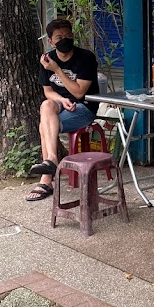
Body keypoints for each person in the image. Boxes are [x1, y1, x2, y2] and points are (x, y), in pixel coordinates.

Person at [26, 19, 99, 202]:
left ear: (73, 36)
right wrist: (63, 100)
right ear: (51, 41)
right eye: (59, 37)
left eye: (67, 36)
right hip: (62, 105)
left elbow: (79, 92)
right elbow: (48, 92)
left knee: (45, 126)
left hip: (84, 108)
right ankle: (51, 160)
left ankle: (47, 178)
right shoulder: (47, 59)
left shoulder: (85, 58)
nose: (64, 40)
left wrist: (57, 70)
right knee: (46, 105)